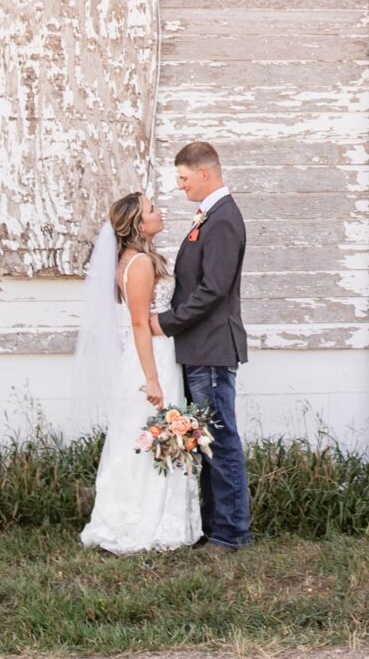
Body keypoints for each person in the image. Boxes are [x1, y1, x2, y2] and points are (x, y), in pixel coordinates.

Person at [74, 190, 201, 556]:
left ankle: (149, 516)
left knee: (146, 437)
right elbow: (139, 324)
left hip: (152, 356)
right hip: (151, 359)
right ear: (138, 224)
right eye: (151, 209)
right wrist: (153, 379)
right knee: (152, 434)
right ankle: (145, 522)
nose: (159, 212)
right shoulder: (140, 264)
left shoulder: (135, 259)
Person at [150, 139, 251, 554]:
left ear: (205, 174)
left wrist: (167, 323)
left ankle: (230, 533)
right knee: (204, 439)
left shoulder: (224, 219)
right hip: (198, 348)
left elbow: (213, 289)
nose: (181, 186)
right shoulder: (210, 216)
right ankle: (214, 529)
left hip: (211, 348)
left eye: (184, 178)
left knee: (220, 440)